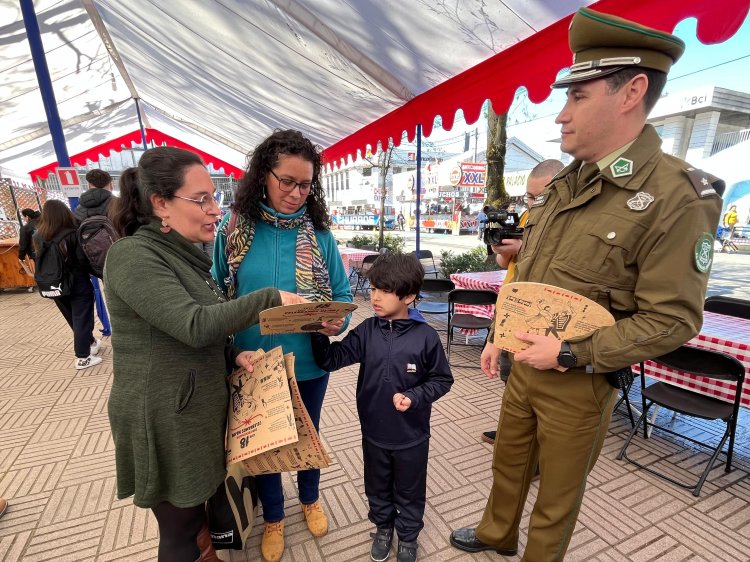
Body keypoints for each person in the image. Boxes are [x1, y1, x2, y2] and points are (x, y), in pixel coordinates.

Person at [449, 8, 723, 561]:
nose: (560, 116)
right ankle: (497, 534)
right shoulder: (567, 182)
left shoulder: (678, 196)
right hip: (524, 359)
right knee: (508, 461)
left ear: (631, 92)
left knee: (557, 493)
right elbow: (531, 270)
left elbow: (673, 319)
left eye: (577, 97)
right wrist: (502, 332)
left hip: (580, 376)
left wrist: (572, 352)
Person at [104, 146, 306, 562]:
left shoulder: (185, 254)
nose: (216, 209)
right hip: (166, 418)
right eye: (202, 199)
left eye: (215, 197)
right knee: (178, 532)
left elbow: (198, 324)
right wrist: (267, 298)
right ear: (161, 203)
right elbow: (193, 325)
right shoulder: (133, 256)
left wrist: (232, 354)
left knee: (198, 515)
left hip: (194, 410)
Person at [212, 129, 353, 562]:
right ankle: (274, 516)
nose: (295, 193)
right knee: (267, 443)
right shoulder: (234, 230)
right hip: (253, 361)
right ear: (263, 176)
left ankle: (310, 499)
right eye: (285, 181)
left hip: (309, 361)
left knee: (308, 436)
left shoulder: (322, 238)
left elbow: (343, 299)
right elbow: (217, 295)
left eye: (305, 184)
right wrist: (231, 348)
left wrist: (335, 322)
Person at [311, 253, 453, 562]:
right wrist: (318, 334)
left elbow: (443, 379)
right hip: (373, 432)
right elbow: (330, 360)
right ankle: (383, 527)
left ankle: (408, 536)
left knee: (410, 490)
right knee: (376, 487)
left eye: (385, 290)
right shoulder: (367, 331)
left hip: (412, 436)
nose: (375, 297)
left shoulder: (426, 337)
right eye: (374, 288)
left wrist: (414, 397)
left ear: (409, 296)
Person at [481, 159, 564, 445]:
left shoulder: (566, 222)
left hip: (542, 316)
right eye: (529, 197)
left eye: (539, 197)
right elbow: (506, 263)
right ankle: (512, 432)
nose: (532, 203)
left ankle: (534, 447)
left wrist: (524, 247)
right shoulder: (527, 218)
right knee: (511, 377)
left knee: (537, 387)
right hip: (514, 307)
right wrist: (501, 247)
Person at [34, 200, 102, 370]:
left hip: (53, 284)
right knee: (82, 317)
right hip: (77, 282)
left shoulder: (38, 236)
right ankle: (83, 357)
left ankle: (91, 342)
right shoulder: (71, 234)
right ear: (64, 213)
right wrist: (99, 273)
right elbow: (82, 261)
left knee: (73, 317)